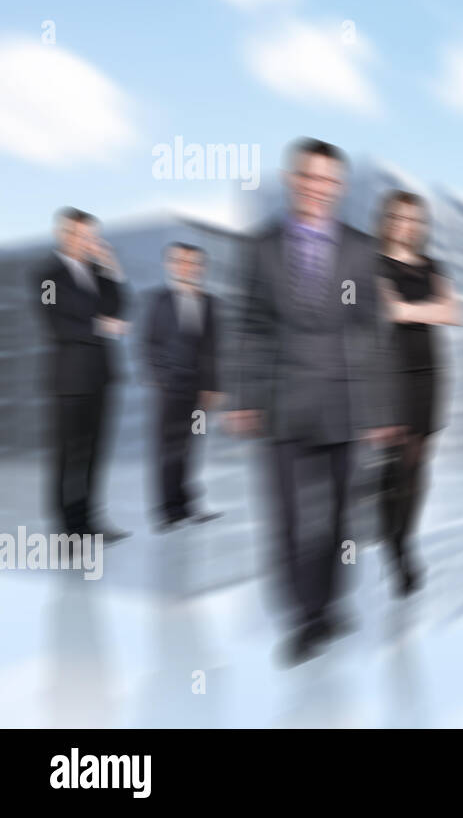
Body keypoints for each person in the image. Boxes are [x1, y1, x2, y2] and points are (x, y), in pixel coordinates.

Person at [225, 138, 401, 664]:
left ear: (340, 188)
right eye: (308, 178)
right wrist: (244, 396)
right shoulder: (260, 247)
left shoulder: (360, 248)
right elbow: (250, 324)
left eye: (328, 181)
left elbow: (374, 330)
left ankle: (329, 604)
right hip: (281, 403)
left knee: (342, 517)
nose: (317, 189)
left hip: (345, 403)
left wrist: (382, 410)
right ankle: (304, 617)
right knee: (287, 517)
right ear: (291, 180)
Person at [375, 189, 459, 596]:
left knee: (418, 460)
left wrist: (405, 310)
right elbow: (376, 312)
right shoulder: (372, 264)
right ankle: (397, 544)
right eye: (400, 217)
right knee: (398, 459)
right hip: (387, 373)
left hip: (428, 373)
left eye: (414, 219)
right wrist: (424, 309)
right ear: (388, 220)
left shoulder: (431, 265)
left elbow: (452, 312)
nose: (406, 226)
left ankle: (400, 534)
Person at [32, 208, 130, 543]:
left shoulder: (98, 272)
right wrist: (98, 326)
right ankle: (67, 529)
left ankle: (89, 521)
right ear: (64, 233)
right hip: (69, 379)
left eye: (93, 236)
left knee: (95, 452)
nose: (89, 242)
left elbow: (119, 308)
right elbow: (55, 324)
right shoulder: (47, 276)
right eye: (82, 235)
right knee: (68, 454)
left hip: (101, 375)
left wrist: (113, 267)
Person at [140, 242, 223, 530]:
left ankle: (188, 505)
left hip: (200, 391)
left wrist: (214, 387)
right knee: (166, 448)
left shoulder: (210, 302)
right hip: (170, 389)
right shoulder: (158, 300)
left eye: (194, 263)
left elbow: (215, 347)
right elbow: (148, 343)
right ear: (171, 265)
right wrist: (159, 378)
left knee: (191, 447)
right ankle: (168, 511)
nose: (188, 267)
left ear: (202, 268)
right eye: (182, 261)